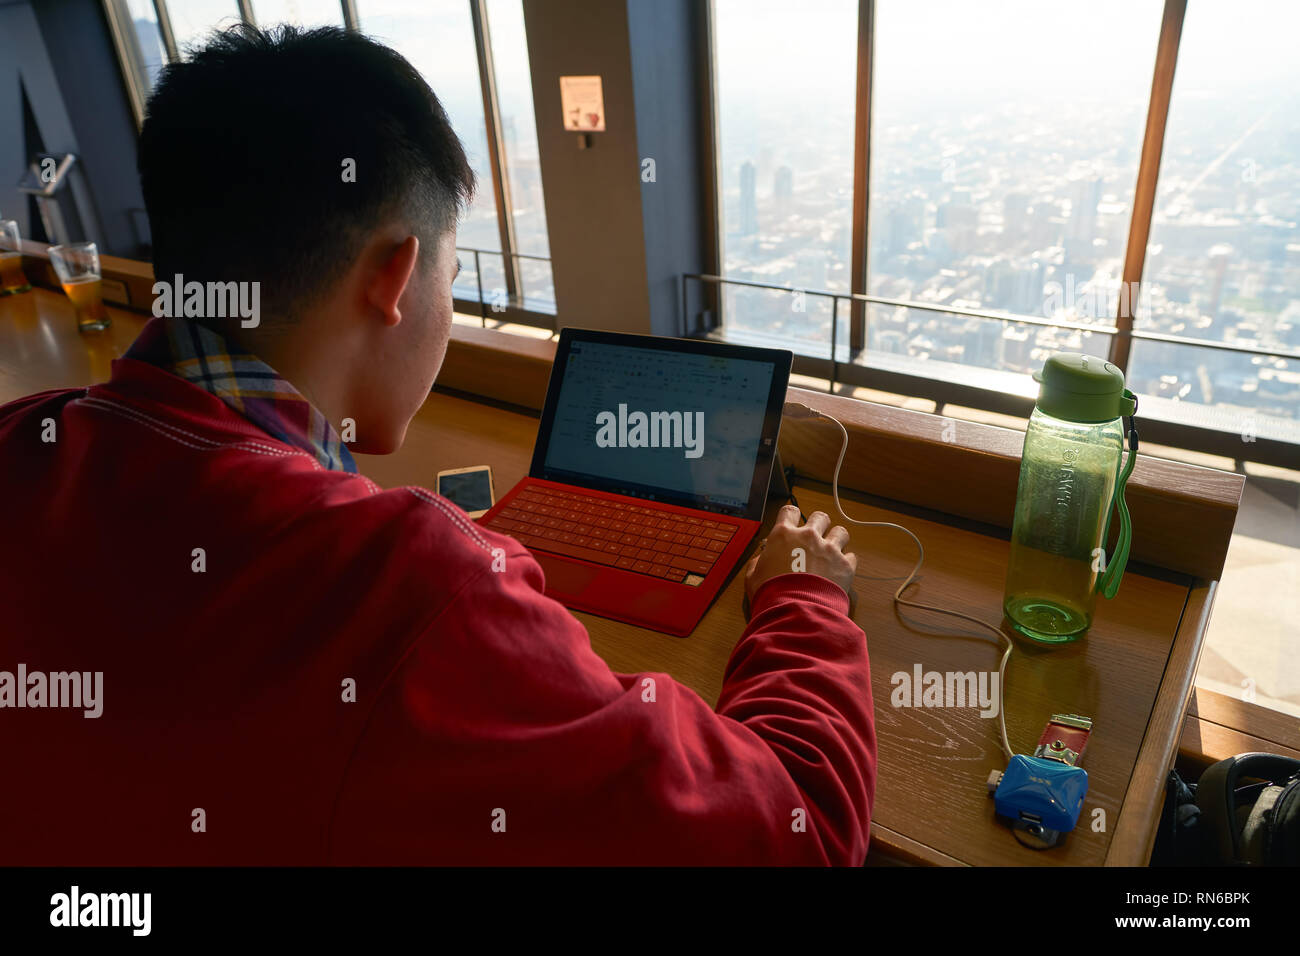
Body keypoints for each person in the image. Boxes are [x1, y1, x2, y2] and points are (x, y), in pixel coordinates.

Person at [0, 25, 875, 865]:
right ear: (393, 278)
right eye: (452, 276)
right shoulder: (408, 588)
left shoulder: (26, 435)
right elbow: (794, 826)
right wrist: (803, 600)